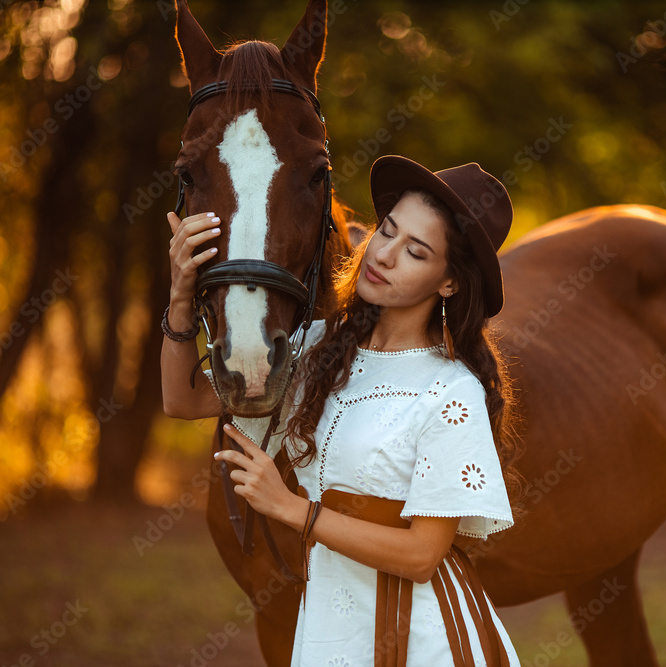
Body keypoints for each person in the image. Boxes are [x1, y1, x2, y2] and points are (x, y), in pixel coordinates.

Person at [162, 154, 523, 665]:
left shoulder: (450, 390)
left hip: (420, 638)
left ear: (450, 282)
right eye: (388, 231)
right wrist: (181, 295)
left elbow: (422, 557)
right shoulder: (320, 352)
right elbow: (183, 399)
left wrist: (291, 509)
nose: (385, 255)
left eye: (416, 251)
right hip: (332, 625)